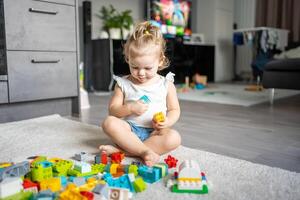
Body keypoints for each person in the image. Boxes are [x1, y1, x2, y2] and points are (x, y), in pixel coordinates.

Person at [100, 21, 181, 166]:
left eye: (148, 68)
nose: (141, 73)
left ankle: (125, 152)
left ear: (160, 60)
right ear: (128, 59)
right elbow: (113, 110)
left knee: (174, 138)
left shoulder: (166, 84)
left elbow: (174, 109)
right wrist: (130, 108)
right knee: (109, 123)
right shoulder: (123, 84)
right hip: (129, 131)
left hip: (154, 133)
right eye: (134, 67)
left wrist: (167, 122)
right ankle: (144, 152)